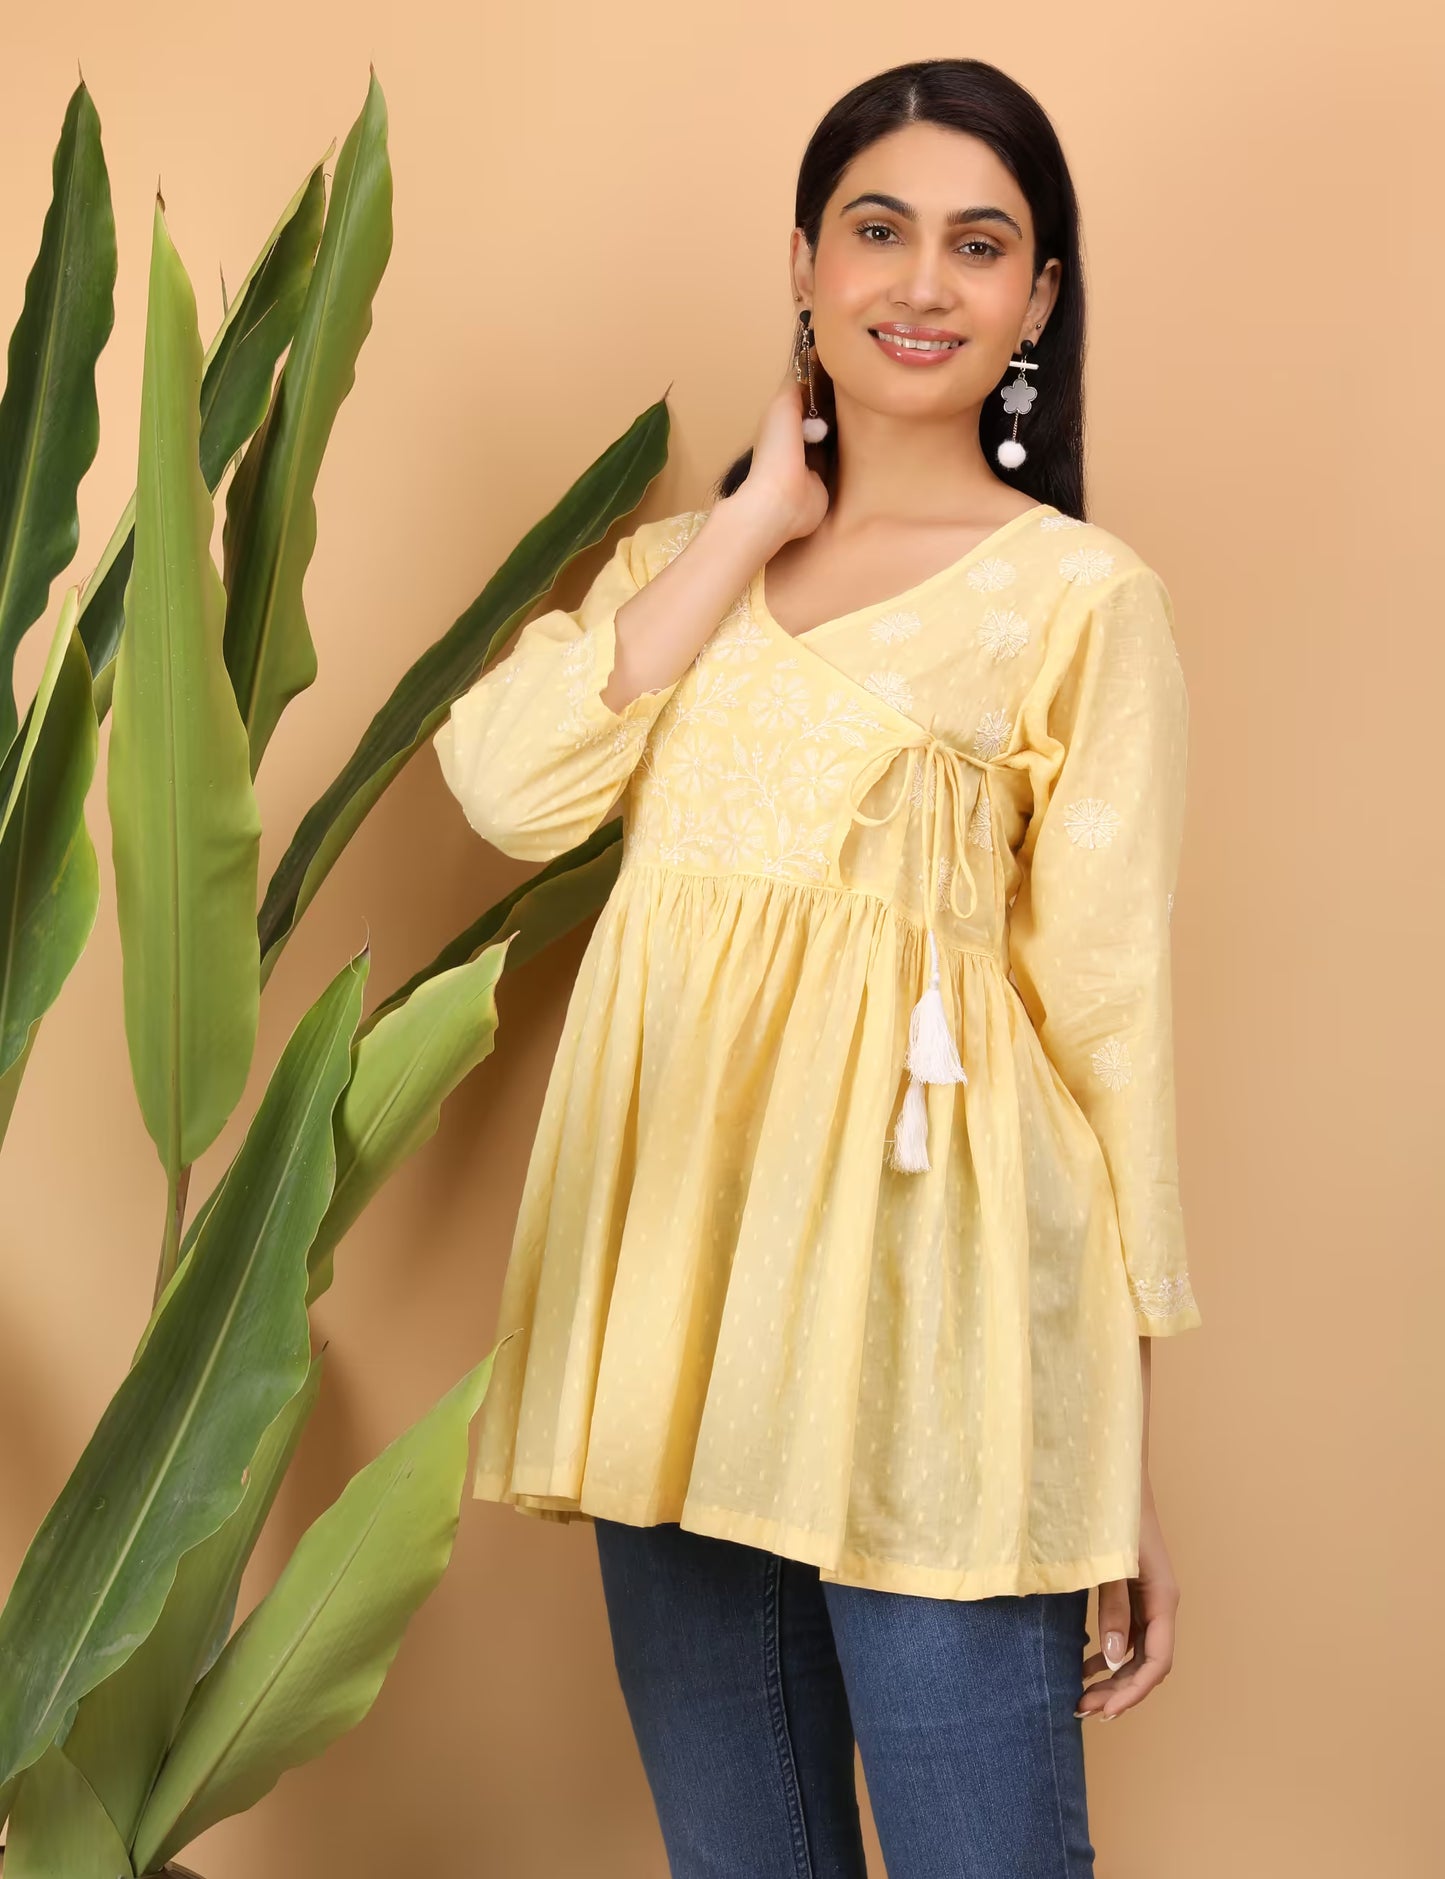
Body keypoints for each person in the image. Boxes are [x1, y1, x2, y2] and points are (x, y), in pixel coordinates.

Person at [433, 54, 1202, 1879]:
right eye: (877, 230)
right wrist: (750, 531)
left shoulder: (1079, 600)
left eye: (977, 244)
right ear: (801, 260)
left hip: (935, 1338)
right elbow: (504, 786)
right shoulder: (676, 576)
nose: (920, 284)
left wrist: (1112, 1452)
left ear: (1035, 300)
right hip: (677, 1315)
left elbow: (1106, 1026)